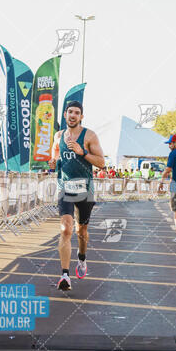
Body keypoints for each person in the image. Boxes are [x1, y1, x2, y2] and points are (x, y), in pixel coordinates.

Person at [49, 101, 105, 291]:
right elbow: (55, 154)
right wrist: (53, 162)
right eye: (70, 112)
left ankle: (81, 259)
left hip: (85, 190)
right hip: (65, 188)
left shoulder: (89, 135)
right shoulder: (58, 136)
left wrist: (83, 152)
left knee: (82, 232)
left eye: (77, 113)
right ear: (65, 115)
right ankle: (65, 275)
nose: (73, 115)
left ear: (81, 116)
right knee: (66, 230)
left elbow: (101, 163)